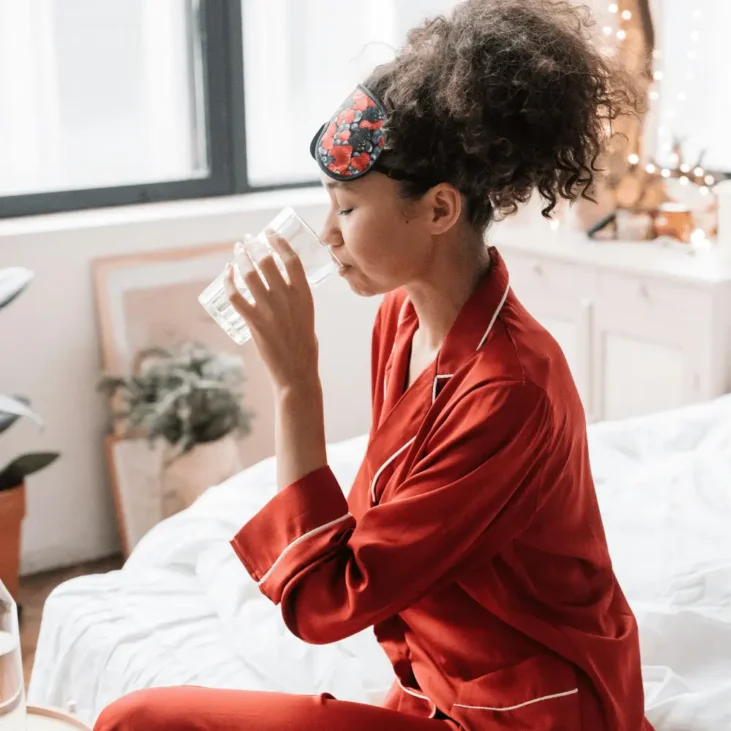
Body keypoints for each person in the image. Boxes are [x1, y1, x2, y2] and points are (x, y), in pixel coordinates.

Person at [94, 0, 651, 729]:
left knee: (141, 719)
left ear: (441, 209)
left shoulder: (509, 388)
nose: (325, 234)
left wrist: (296, 383)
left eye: (348, 209)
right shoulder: (401, 319)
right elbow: (374, 539)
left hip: (521, 714)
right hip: (432, 677)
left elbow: (326, 601)